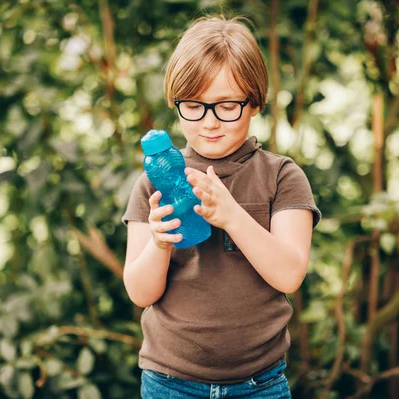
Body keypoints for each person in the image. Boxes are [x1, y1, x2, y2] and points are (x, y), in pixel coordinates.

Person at [122, 14, 321, 399]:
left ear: (255, 102)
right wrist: (160, 245)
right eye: (193, 105)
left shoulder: (282, 177)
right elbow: (140, 293)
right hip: (169, 382)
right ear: (176, 102)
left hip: (259, 384)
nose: (209, 122)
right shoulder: (152, 184)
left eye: (227, 105)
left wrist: (231, 216)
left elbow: (289, 275)